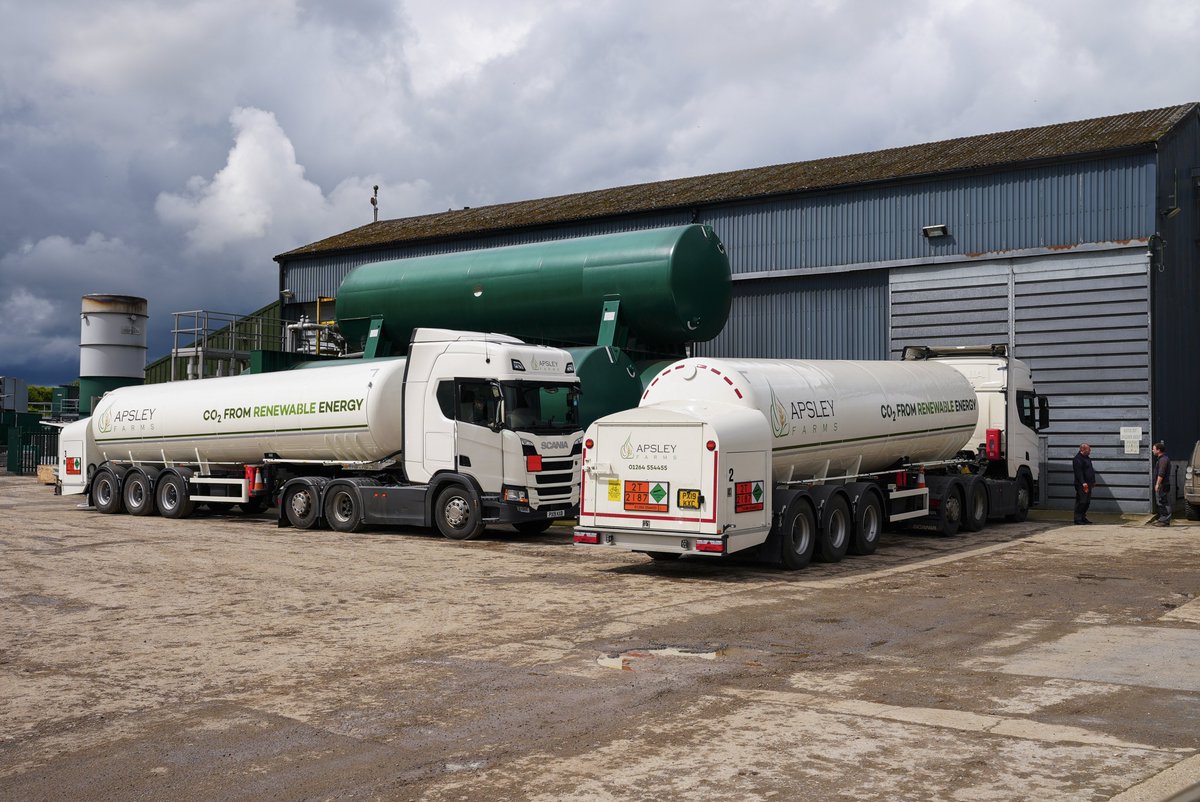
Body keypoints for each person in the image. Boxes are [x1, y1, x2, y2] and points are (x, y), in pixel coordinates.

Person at [1072, 443, 1095, 525]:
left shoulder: (1087, 458)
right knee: (1082, 501)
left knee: (1087, 502)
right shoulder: (1077, 459)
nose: (1090, 451)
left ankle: (1083, 517)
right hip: (1082, 484)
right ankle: (1078, 519)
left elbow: (1090, 470)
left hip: (1089, 483)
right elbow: (1079, 473)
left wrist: (1093, 481)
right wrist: (1083, 483)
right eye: (1088, 450)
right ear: (1083, 450)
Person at [1152, 442, 1172, 526]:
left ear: (1158, 450)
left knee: (1163, 502)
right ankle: (1162, 519)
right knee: (1160, 502)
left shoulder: (1163, 460)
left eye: (1154, 449)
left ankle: (1165, 520)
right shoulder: (1161, 459)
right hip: (1162, 485)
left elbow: (1161, 473)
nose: (1152, 450)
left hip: (1162, 485)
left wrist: (1157, 484)